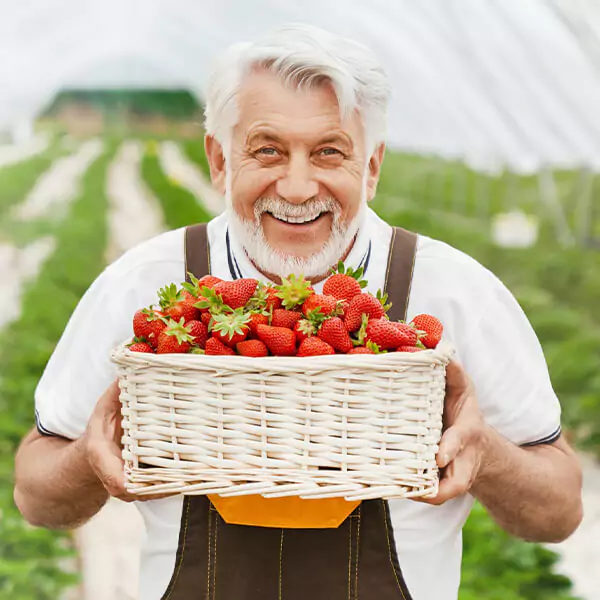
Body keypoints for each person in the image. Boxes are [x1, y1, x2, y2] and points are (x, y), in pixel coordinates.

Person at [14, 23, 582, 600]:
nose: (297, 185)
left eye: (330, 152)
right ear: (217, 159)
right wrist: (90, 455)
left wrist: (484, 452)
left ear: (373, 166)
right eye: (267, 149)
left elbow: (558, 511)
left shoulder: (456, 293)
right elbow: (36, 495)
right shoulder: (144, 283)